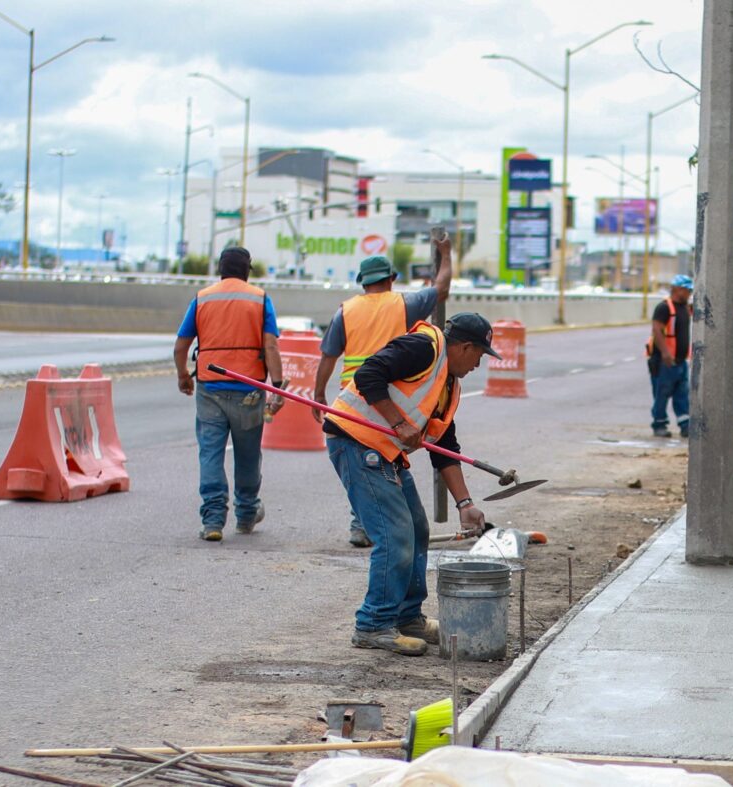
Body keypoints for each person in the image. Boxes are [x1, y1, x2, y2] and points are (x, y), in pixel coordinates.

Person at [324, 313, 497, 656]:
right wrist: (398, 422)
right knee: (395, 534)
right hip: (357, 442)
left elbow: (445, 448)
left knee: (417, 529)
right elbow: (368, 373)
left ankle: (407, 618)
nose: (480, 364)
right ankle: (373, 624)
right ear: (465, 346)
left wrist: (466, 505)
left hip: (383, 451)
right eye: (480, 355)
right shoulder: (424, 348)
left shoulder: (448, 385)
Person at [313, 243, 453, 548]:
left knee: (362, 456)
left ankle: (361, 524)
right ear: (391, 278)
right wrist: (446, 253)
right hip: (388, 394)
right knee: (379, 457)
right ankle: (367, 524)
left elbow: (328, 356)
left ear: (364, 282)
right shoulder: (404, 303)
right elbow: (441, 288)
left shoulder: (346, 311)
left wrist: (319, 393)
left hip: (351, 397)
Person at [173, 247, 284, 542]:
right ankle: (246, 515)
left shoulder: (203, 298)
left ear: (220, 269)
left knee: (210, 452)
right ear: (248, 269)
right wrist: (278, 383)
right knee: (247, 455)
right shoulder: (260, 299)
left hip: (209, 387)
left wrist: (184, 375)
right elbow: (270, 346)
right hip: (249, 388)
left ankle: (212, 521)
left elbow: (180, 345)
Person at [647, 274, 693, 438]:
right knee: (662, 393)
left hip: (680, 361)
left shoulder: (685, 308)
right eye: (687, 290)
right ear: (677, 289)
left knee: (682, 394)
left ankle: (685, 425)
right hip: (664, 361)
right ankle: (659, 424)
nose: (689, 293)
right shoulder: (664, 307)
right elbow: (657, 329)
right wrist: (665, 352)